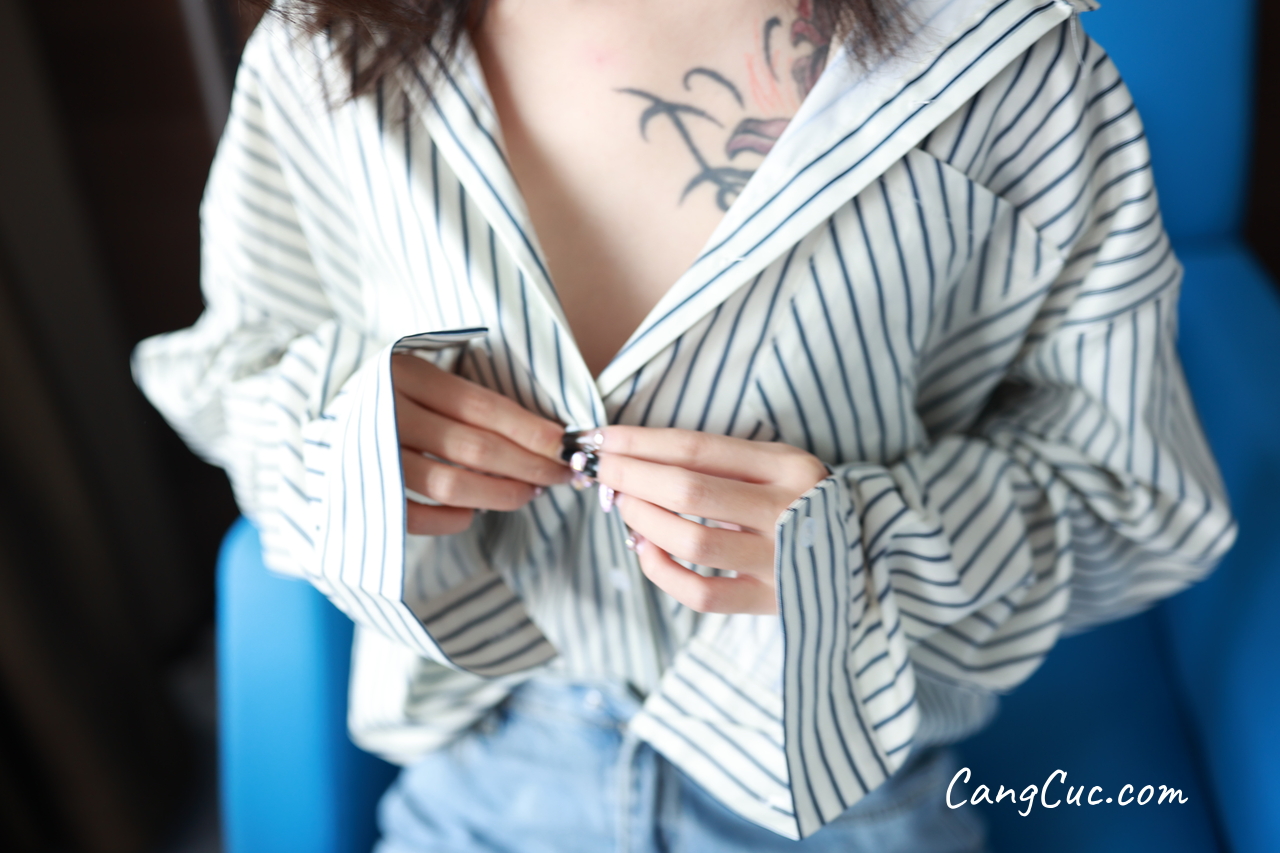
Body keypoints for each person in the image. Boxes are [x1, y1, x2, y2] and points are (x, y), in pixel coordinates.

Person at [134, 0, 1237, 849]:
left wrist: (864, 548)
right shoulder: (322, 56)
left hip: (841, 783)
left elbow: (1139, 497)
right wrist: (349, 446)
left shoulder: (1010, 76)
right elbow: (233, 373)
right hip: (488, 773)